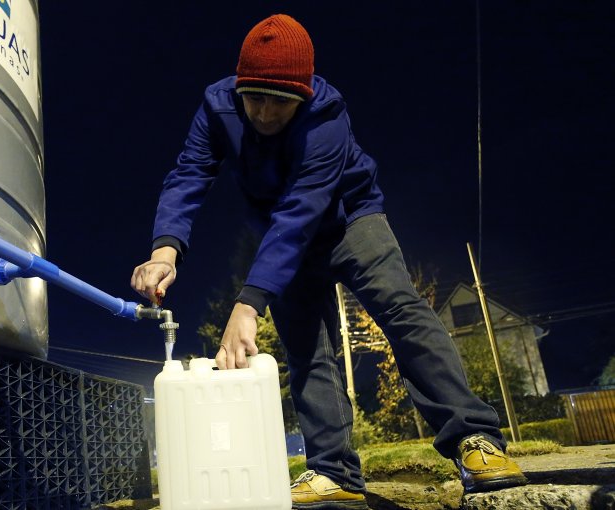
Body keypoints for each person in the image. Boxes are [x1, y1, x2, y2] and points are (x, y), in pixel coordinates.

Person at [130, 13, 528, 510]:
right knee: (304, 346)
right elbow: (189, 173)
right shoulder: (217, 107)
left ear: (303, 97)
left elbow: (302, 212)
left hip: (349, 220)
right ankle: (332, 471)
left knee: (402, 311)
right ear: (239, 86)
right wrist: (164, 249)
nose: (265, 115)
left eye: (281, 104)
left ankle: (474, 438)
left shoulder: (327, 115)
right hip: (282, 231)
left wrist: (248, 304)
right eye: (254, 98)